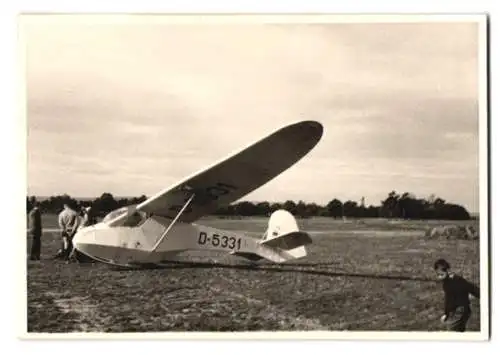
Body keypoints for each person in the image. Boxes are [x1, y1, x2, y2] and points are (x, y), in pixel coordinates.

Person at [434, 258, 480, 332]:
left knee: (450, 329)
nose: (439, 277)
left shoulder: (453, 282)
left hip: (460, 310)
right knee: (459, 329)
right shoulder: (452, 280)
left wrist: (446, 314)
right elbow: (470, 287)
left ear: (448, 271)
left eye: (441, 274)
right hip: (461, 310)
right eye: (437, 275)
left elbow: (470, 288)